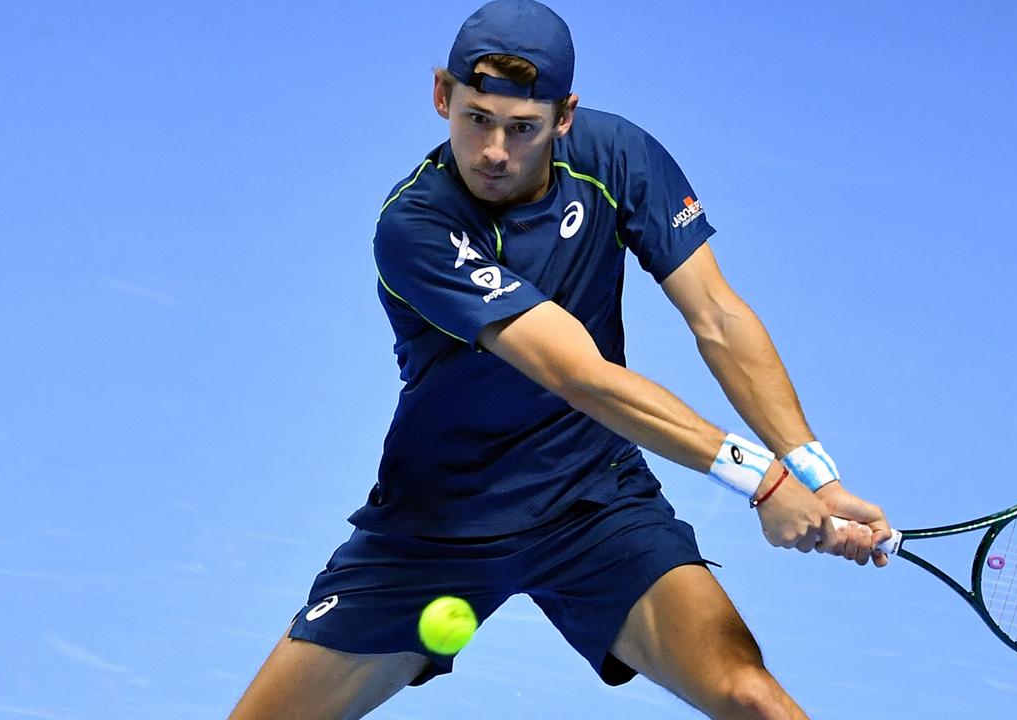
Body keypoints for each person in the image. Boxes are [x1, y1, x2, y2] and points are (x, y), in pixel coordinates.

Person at [230, 1, 891, 718]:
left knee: (753, 698)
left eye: (523, 129)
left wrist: (810, 470)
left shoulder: (618, 157)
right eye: (476, 118)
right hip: (437, 523)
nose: (493, 151)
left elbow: (719, 316)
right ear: (440, 95)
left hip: (593, 502)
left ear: (565, 116)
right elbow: (578, 375)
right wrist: (760, 479)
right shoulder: (415, 228)